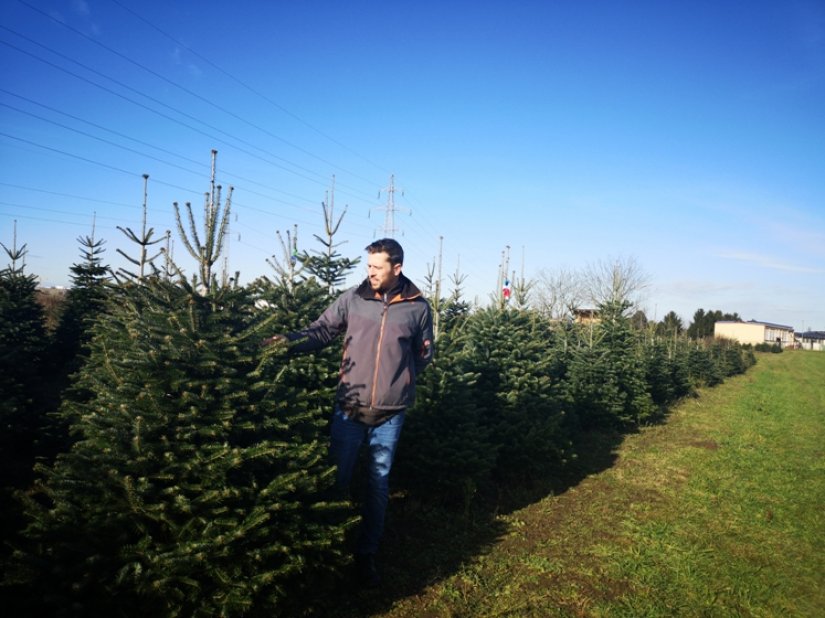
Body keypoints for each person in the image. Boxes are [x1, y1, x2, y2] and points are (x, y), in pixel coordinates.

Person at [262, 238, 434, 587]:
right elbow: (322, 329)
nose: (369, 273)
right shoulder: (353, 300)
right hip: (349, 409)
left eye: (376, 267)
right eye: (368, 266)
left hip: (390, 414)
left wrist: (398, 382)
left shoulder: (417, 308)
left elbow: (423, 354)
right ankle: (328, 550)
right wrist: (288, 341)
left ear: (396, 268)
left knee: (377, 484)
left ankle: (365, 555)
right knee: (338, 480)